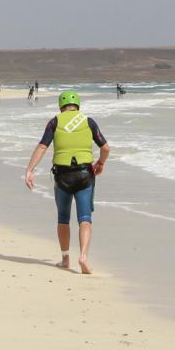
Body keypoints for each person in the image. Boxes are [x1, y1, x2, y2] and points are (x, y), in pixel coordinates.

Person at [23, 91, 110, 274]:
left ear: (60, 106)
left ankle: (65, 259)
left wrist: (29, 170)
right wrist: (100, 164)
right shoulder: (89, 122)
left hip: (62, 177)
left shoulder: (54, 122)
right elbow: (105, 148)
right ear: (78, 105)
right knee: (85, 219)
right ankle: (84, 257)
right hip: (85, 175)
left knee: (63, 218)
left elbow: (42, 146)